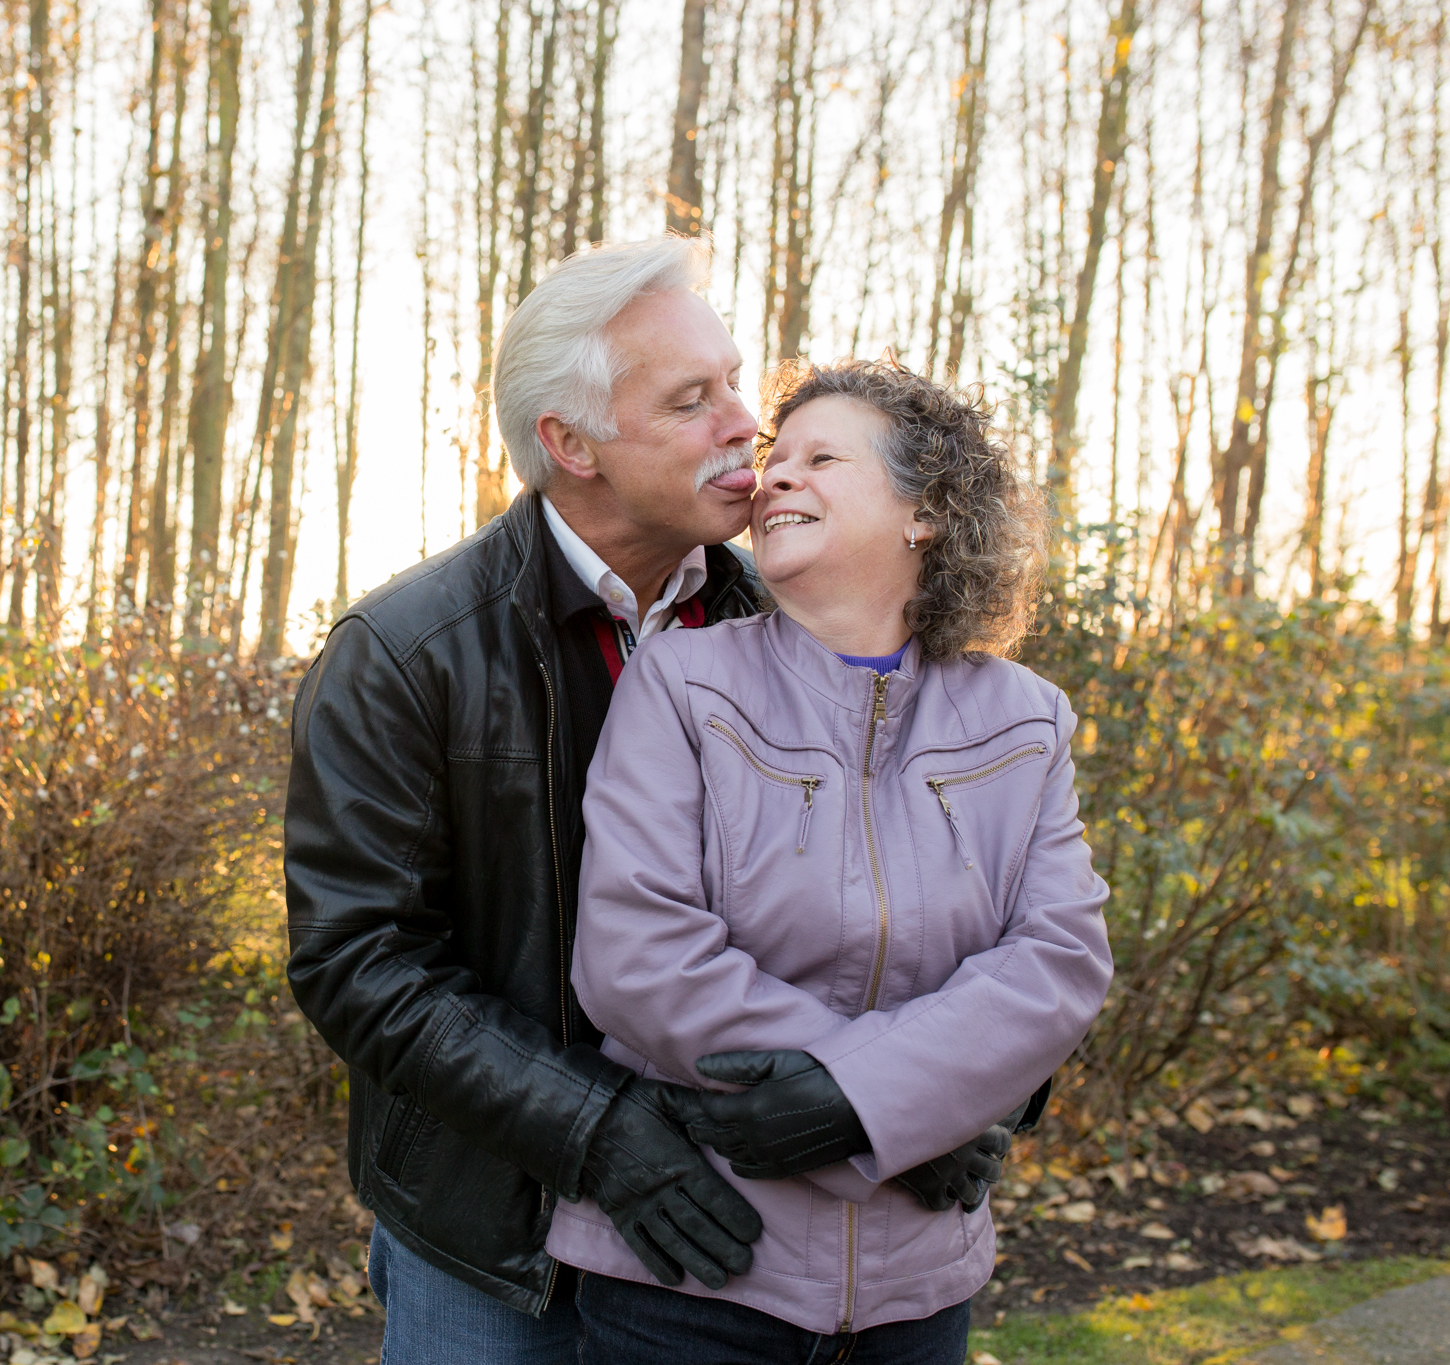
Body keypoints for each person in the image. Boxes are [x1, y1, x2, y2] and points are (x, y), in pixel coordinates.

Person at [546, 357, 1115, 1364]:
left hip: (917, 1294)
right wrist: (896, 1116)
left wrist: (854, 1105)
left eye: (821, 458)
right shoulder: (679, 683)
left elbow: (1056, 963)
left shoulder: (1024, 723)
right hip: (694, 1277)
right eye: (774, 460)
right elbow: (637, 955)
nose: (773, 479)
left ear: (923, 515)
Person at [283, 236, 770, 1364]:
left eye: (735, 383)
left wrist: (938, 1100)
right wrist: (594, 1131)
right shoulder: (405, 654)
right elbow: (359, 961)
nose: (744, 421)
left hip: (739, 1222)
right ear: (570, 443)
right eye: (692, 400)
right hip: (498, 1240)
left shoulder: (785, 629)